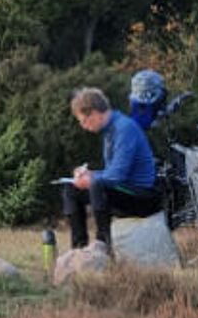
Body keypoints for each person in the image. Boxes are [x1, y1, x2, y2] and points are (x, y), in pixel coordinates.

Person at [63, 86, 161, 251]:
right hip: (124, 188)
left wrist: (90, 179)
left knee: (97, 185)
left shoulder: (124, 128)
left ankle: (103, 245)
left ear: (94, 113)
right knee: (71, 189)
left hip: (142, 195)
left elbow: (116, 176)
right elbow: (112, 172)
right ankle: (78, 247)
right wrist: (89, 174)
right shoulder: (109, 131)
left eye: (83, 121)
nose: (83, 126)